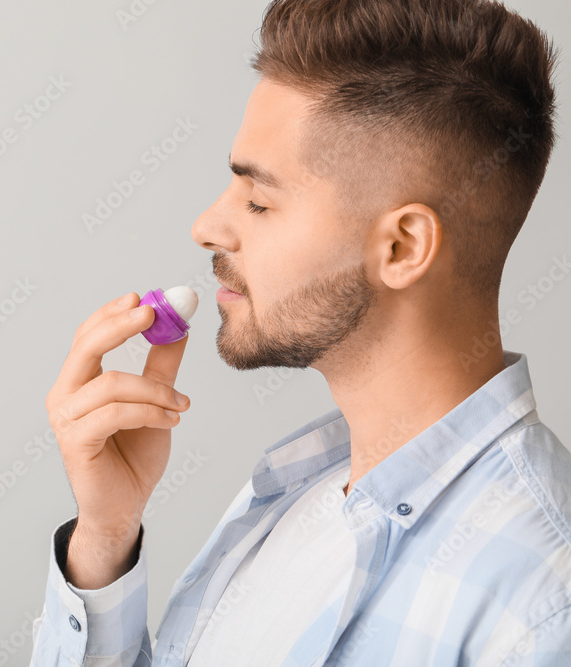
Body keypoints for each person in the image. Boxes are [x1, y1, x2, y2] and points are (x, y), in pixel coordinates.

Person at [29, 0, 571, 665]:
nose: (206, 226)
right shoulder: (293, 498)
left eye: (259, 201)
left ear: (402, 247)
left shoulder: (542, 604)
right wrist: (105, 539)